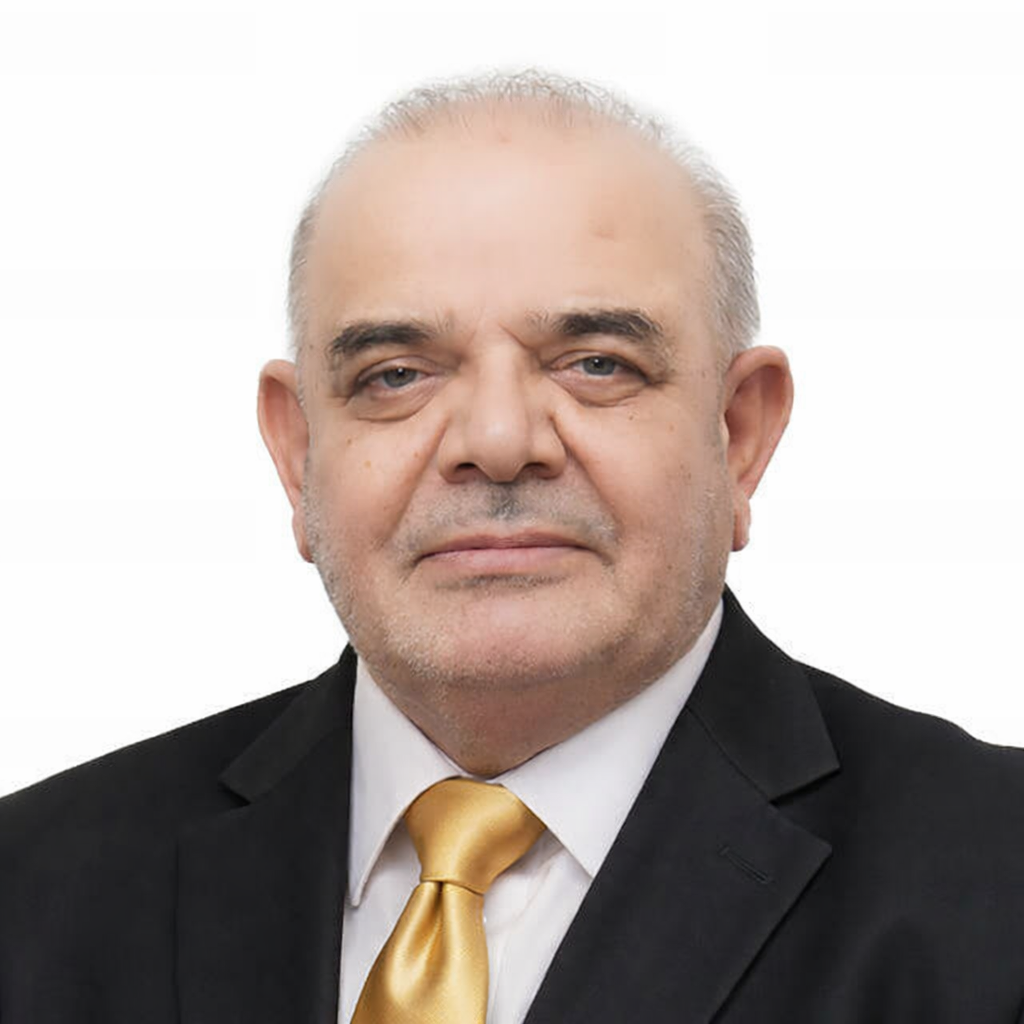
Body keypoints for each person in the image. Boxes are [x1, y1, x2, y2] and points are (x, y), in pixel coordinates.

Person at [0, 69, 1021, 1024]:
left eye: (595, 363)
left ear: (739, 433)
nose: (496, 441)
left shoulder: (996, 883)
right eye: (396, 375)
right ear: (300, 455)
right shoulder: (32, 889)